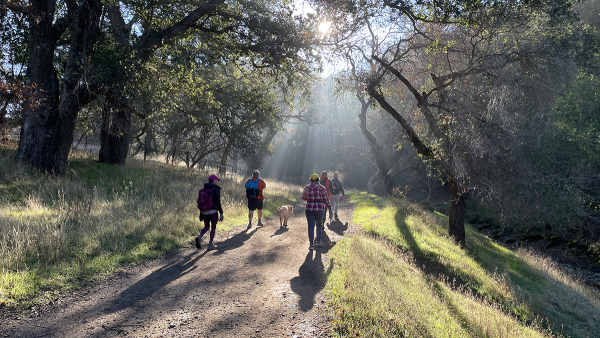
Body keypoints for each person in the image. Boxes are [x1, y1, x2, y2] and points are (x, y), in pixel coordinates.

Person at [301, 174, 332, 250]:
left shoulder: (307, 187)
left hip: (309, 209)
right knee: (319, 225)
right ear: (318, 180)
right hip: (320, 210)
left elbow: (303, 197)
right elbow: (326, 200)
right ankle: (318, 241)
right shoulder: (322, 188)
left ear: (311, 180)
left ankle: (311, 245)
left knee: (311, 226)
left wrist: (309, 198)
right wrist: (330, 208)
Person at [196, 174, 224, 250]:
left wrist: (201, 214)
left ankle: (199, 237)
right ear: (214, 180)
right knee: (213, 227)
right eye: (217, 180)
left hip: (204, 212)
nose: (218, 181)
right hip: (213, 212)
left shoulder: (203, 190)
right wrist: (221, 212)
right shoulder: (216, 189)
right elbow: (218, 202)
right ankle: (210, 244)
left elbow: (201, 202)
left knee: (206, 226)